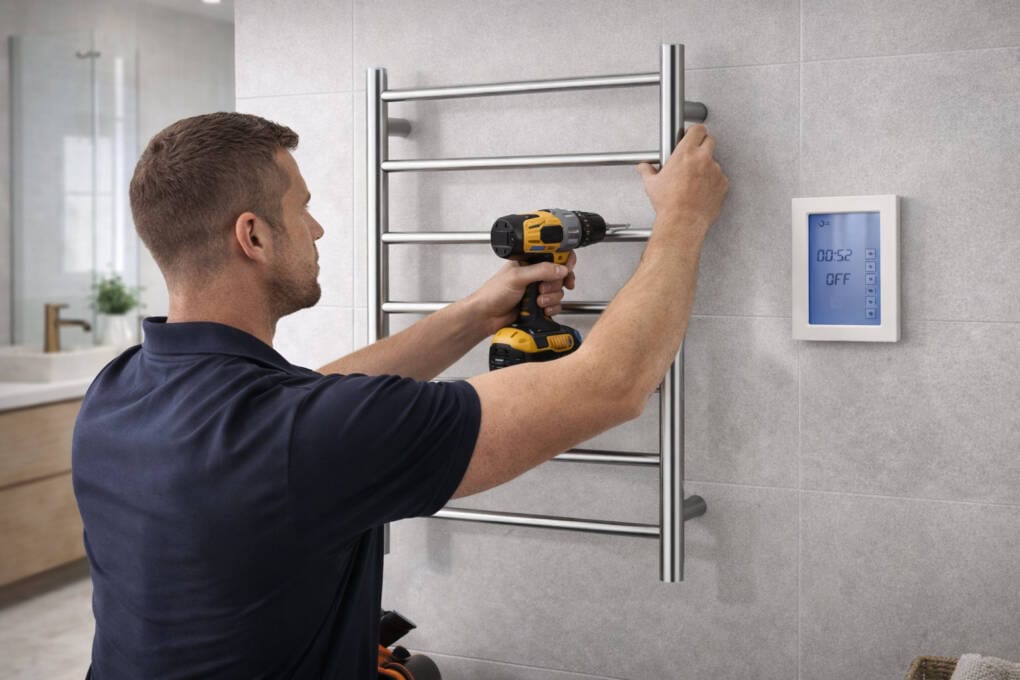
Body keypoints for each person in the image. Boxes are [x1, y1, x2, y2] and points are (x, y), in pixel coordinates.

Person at [72, 112, 727, 679]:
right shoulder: (299, 438)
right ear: (254, 236)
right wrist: (684, 218)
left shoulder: (120, 393)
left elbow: (308, 404)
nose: (319, 229)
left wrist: (473, 315)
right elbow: (611, 384)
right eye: (302, 207)